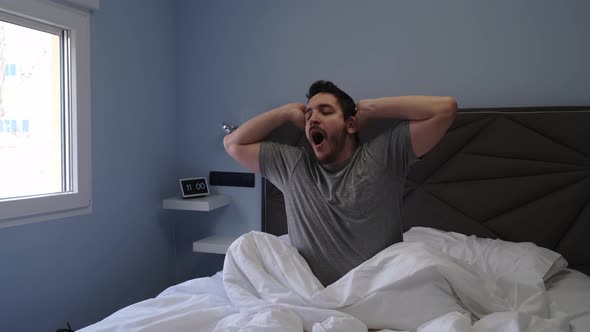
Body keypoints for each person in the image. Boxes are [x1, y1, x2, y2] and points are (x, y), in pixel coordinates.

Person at [224, 80, 457, 286]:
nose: (313, 118)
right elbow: (233, 144)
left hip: (380, 291)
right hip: (312, 296)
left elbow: (444, 110)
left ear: (351, 124)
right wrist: (285, 113)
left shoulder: (383, 156)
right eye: (308, 116)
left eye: (325, 112)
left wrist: (370, 108)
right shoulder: (293, 166)